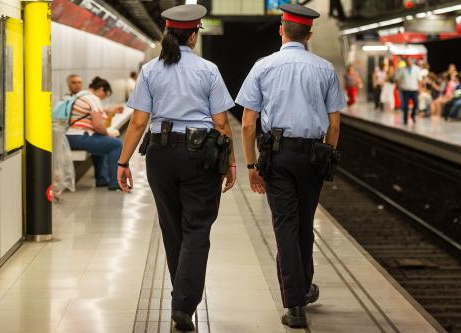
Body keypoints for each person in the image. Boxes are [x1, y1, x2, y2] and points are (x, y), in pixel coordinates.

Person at [116, 4, 236, 331]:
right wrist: (230, 162)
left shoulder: (151, 70)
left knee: (172, 228)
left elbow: (139, 122)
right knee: (197, 228)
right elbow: (222, 123)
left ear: (167, 34)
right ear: (194, 35)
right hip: (201, 155)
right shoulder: (208, 70)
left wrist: (123, 161)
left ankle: (181, 296)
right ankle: (183, 305)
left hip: (160, 154)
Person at [236, 4, 346, 328]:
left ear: (281, 29)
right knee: (304, 223)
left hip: (277, 156)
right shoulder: (325, 69)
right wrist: (327, 155)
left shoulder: (263, 66)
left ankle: (295, 304)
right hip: (313, 156)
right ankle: (303, 288)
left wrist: (252, 164)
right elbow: (335, 123)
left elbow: (247, 122)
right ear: (310, 34)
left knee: (285, 225)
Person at [66, 77, 122, 190]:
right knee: (116, 144)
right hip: (79, 136)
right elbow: (98, 125)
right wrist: (108, 134)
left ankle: (101, 179)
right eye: (105, 95)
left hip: (70, 136)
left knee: (102, 140)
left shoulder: (81, 96)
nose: (103, 98)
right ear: (101, 89)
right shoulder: (93, 99)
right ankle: (114, 183)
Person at [395, 57, 422, 124]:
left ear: (412, 61)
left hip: (414, 89)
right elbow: (397, 78)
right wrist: (398, 86)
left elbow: (419, 80)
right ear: (406, 62)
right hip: (405, 89)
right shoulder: (402, 69)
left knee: (416, 103)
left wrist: (420, 89)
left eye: (410, 60)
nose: (409, 62)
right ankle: (405, 119)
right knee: (405, 105)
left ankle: (412, 115)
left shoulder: (417, 69)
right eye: (407, 61)